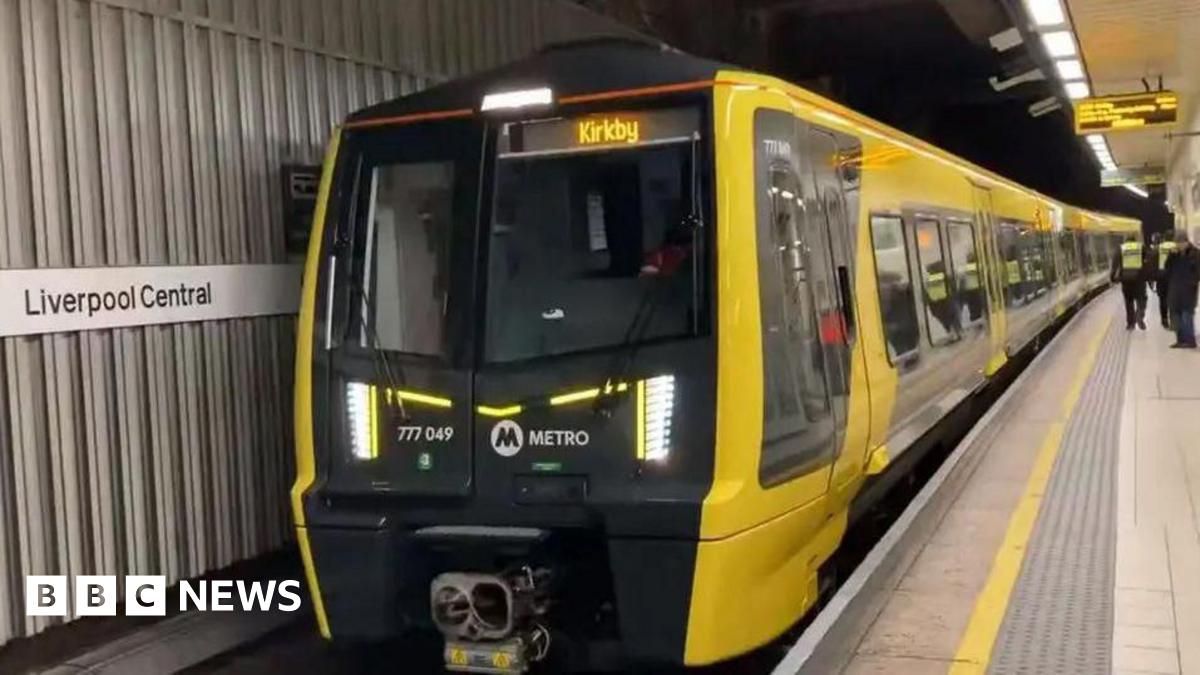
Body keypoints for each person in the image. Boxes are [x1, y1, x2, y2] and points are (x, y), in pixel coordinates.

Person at [1163, 229, 1200, 348]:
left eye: (1181, 243)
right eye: (1177, 243)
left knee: (1187, 315)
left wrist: (1192, 282)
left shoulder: (1196, 253)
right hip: (1175, 288)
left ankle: (1190, 341)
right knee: (1175, 315)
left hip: (1188, 289)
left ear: (1186, 241)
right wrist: (1171, 256)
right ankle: (1180, 340)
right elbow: (1166, 268)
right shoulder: (1174, 254)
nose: (1179, 245)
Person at [1110, 234, 1149, 330]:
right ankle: (1139, 315)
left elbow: (1115, 263)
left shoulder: (1121, 248)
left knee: (1129, 302)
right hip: (1139, 279)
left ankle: (1130, 324)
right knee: (1142, 300)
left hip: (1126, 280)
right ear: (1135, 241)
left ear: (1126, 240)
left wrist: (1113, 277)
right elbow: (1148, 260)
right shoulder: (1141, 247)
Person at [1154, 231, 1178, 329]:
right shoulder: (1177, 247)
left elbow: (1154, 262)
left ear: (1164, 238)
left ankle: (1164, 320)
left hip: (1161, 276)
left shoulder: (1158, 247)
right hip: (1174, 277)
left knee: (1162, 299)